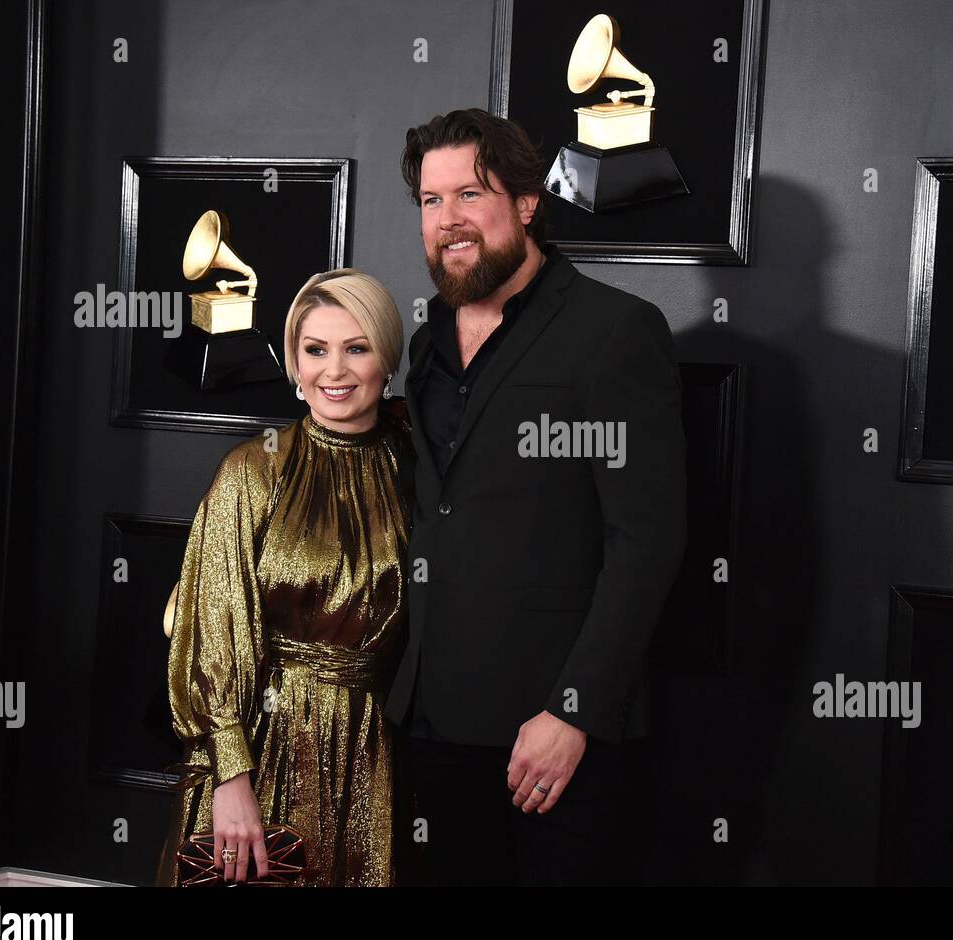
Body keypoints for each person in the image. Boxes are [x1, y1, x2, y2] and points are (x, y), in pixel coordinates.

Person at [386, 107, 687, 884]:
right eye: (430, 200)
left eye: (470, 195)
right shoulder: (425, 343)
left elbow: (645, 541)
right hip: (431, 715)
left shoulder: (615, 332)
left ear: (526, 202)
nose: (448, 220)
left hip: (551, 729)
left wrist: (574, 711)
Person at [155, 269, 414, 887]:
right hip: (265, 736)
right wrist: (230, 776)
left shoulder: (416, 466)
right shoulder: (254, 470)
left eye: (357, 348)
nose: (335, 371)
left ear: (387, 358)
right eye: (315, 350)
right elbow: (212, 630)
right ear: (295, 365)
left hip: (374, 748)